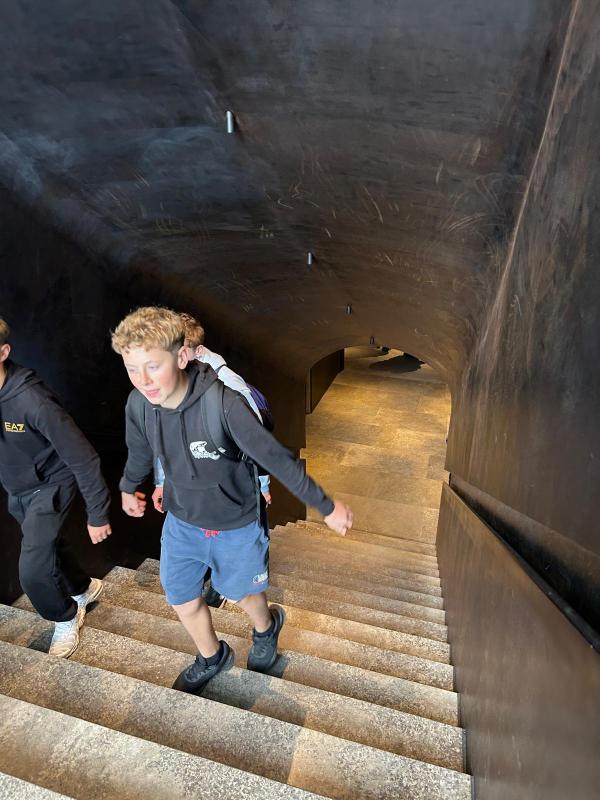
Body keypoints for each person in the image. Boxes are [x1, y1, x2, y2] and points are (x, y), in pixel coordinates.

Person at [112, 306, 352, 693]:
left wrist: (325, 505)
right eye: (132, 369)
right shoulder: (139, 405)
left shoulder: (224, 404)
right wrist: (129, 486)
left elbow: (275, 457)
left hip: (236, 524)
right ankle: (212, 656)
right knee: (181, 598)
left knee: (242, 594)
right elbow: (141, 450)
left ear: (182, 356)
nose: (143, 380)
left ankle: (266, 627)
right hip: (182, 522)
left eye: (153, 366)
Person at [0, 318, 112, 658]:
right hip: (17, 487)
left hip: (50, 485)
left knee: (33, 572)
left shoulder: (32, 401)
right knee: (48, 547)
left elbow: (83, 457)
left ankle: (65, 616)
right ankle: (84, 588)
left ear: (3, 352)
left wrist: (98, 513)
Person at [152, 312, 273, 609]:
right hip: (192, 488)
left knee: (237, 553)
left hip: (231, 490)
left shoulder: (230, 388)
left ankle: (234, 591)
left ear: (194, 351)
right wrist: (162, 481)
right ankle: (217, 582)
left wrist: (262, 485)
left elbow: (257, 444)